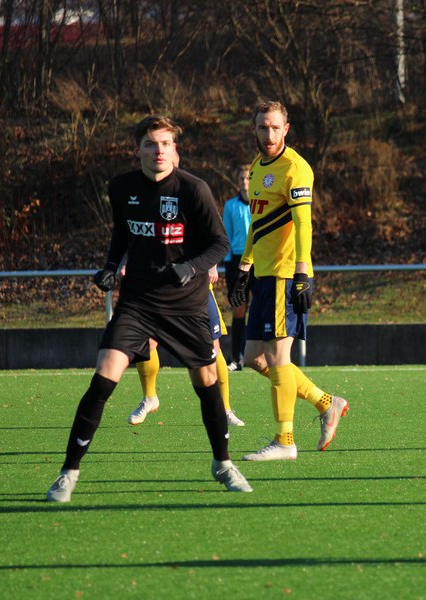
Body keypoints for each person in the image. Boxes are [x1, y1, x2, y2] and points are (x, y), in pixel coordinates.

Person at [45, 115, 252, 501]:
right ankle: (68, 472)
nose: (159, 151)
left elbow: (220, 244)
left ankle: (223, 463)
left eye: (166, 144)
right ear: (137, 149)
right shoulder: (121, 187)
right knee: (103, 378)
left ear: (176, 150)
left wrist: (189, 268)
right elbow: (121, 234)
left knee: (207, 382)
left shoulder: (194, 189)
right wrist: (111, 267)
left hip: (186, 305)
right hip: (137, 302)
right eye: (151, 144)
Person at [228, 100, 348, 461]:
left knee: (279, 357)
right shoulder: (256, 167)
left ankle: (284, 441)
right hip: (263, 276)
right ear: (254, 129)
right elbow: (257, 224)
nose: (269, 134)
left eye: (275, 127)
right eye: (263, 127)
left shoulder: (296, 168)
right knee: (254, 358)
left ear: (286, 129)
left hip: (286, 275)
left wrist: (301, 272)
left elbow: (303, 225)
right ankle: (326, 402)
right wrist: (244, 267)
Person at [129, 268, 245, 428]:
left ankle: (224, 410)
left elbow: (213, 249)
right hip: (161, 288)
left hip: (197, 287)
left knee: (212, 348)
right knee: (146, 341)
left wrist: (212, 266)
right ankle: (149, 397)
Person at [222, 163, 253, 371]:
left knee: (261, 309)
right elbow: (226, 236)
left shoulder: (263, 203)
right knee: (239, 309)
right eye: (241, 178)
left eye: (248, 178)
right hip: (237, 262)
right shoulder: (230, 206)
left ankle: (260, 356)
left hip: (259, 261)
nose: (244, 182)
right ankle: (236, 358)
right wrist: (228, 266)